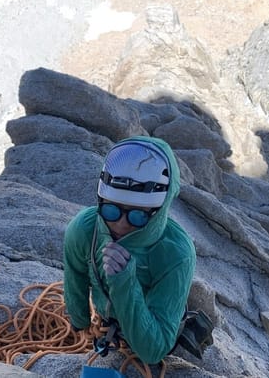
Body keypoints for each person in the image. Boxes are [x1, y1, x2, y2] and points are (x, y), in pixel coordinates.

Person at [63, 136, 196, 365]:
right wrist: (80, 323)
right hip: (107, 324)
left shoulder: (176, 254)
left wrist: (124, 281)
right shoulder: (85, 229)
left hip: (150, 332)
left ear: (158, 211)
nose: (121, 224)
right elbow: (75, 277)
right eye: (111, 211)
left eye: (137, 216)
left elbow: (153, 351)